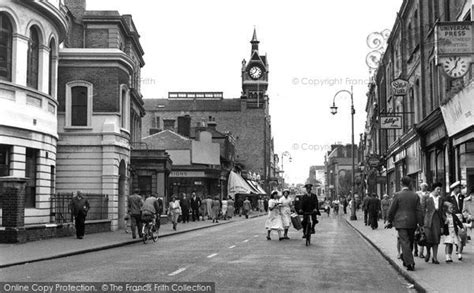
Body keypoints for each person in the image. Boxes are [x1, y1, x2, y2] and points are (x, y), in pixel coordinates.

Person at [386, 176, 423, 271]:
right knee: (409, 241)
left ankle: (409, 262)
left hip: (401, 223)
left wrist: (389, 220)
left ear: (401, 184)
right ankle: (407, 259)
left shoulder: (397, 195)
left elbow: (392, 209)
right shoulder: (415, 195)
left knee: (405, 242)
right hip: (412, 222)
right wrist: (421, 223)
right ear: (410, 183)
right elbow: (419, 211)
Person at [421, 182, 444, 264]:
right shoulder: (426, 197)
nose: (439, 191)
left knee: (436, 239)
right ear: (434, 189)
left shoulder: (441, 199)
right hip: (428, 221)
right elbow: (422, 210)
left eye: (440, 189)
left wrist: (442, 225)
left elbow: (441, 213)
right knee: (428, 239)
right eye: (438, 189)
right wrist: (422, 223)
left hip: (437, 221)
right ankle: (428, 252)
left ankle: (435, 258)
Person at [415, 183, 430, 258]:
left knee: (424, 234)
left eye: (425, 186)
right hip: (419, 215)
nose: (423, 187)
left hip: (426, 215)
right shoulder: (417, 193)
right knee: (417, 233)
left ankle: (422, 252)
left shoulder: (429, 194)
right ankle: (416, 250)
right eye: (422, 186)